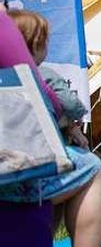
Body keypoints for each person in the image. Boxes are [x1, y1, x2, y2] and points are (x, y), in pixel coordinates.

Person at [0, 8, 101, 247]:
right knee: (90, 167)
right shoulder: (44, 72)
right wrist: (70, 121)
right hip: (16, 175)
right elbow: (47, 94)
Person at [9, 9, 88, 147]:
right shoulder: (45, 75)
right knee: (90, 163)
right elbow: (70, 102)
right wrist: (78, 114)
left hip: (12, 143)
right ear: (36, 45)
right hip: (47, 146)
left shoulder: (6, 76)